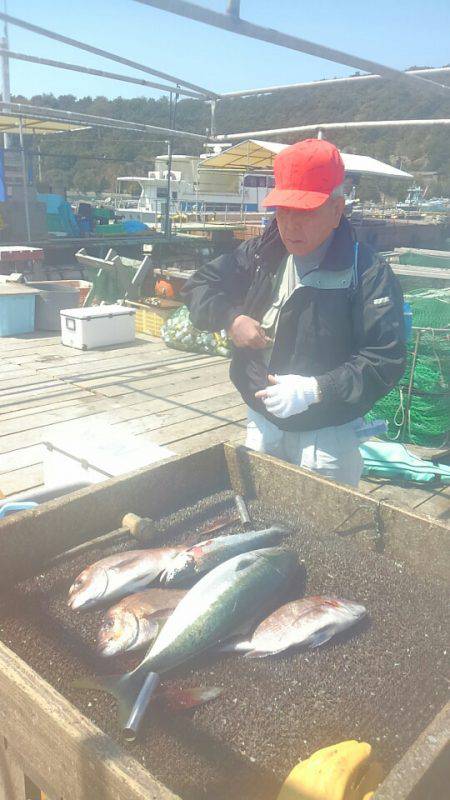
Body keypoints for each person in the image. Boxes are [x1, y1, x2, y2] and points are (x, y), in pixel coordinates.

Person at [183, 138, 406, 486]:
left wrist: (318, 389)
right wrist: (231, 318)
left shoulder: (368, 273)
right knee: (260, 512)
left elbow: (385, 358)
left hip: (327, 433)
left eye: (305, 212)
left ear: (336, 209)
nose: (290, 226)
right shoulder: (260, 253)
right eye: (283, 211)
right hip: (261, 419)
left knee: (327, 530)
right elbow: (200, 285)